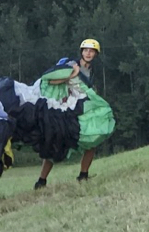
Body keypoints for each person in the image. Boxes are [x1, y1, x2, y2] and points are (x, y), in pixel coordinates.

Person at [34, 38, 101, 190]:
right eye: (86, 50)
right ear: (81, 52)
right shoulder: (71, 65)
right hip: (64, 110)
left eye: (91, 51)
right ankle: (41, 181)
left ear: (95, 54)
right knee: (55, 144)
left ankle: (83, 175)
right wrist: (72, 74)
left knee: (93, 140)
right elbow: (51, 81)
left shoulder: (92, 71)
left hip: (82, 109)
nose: (88, 53)